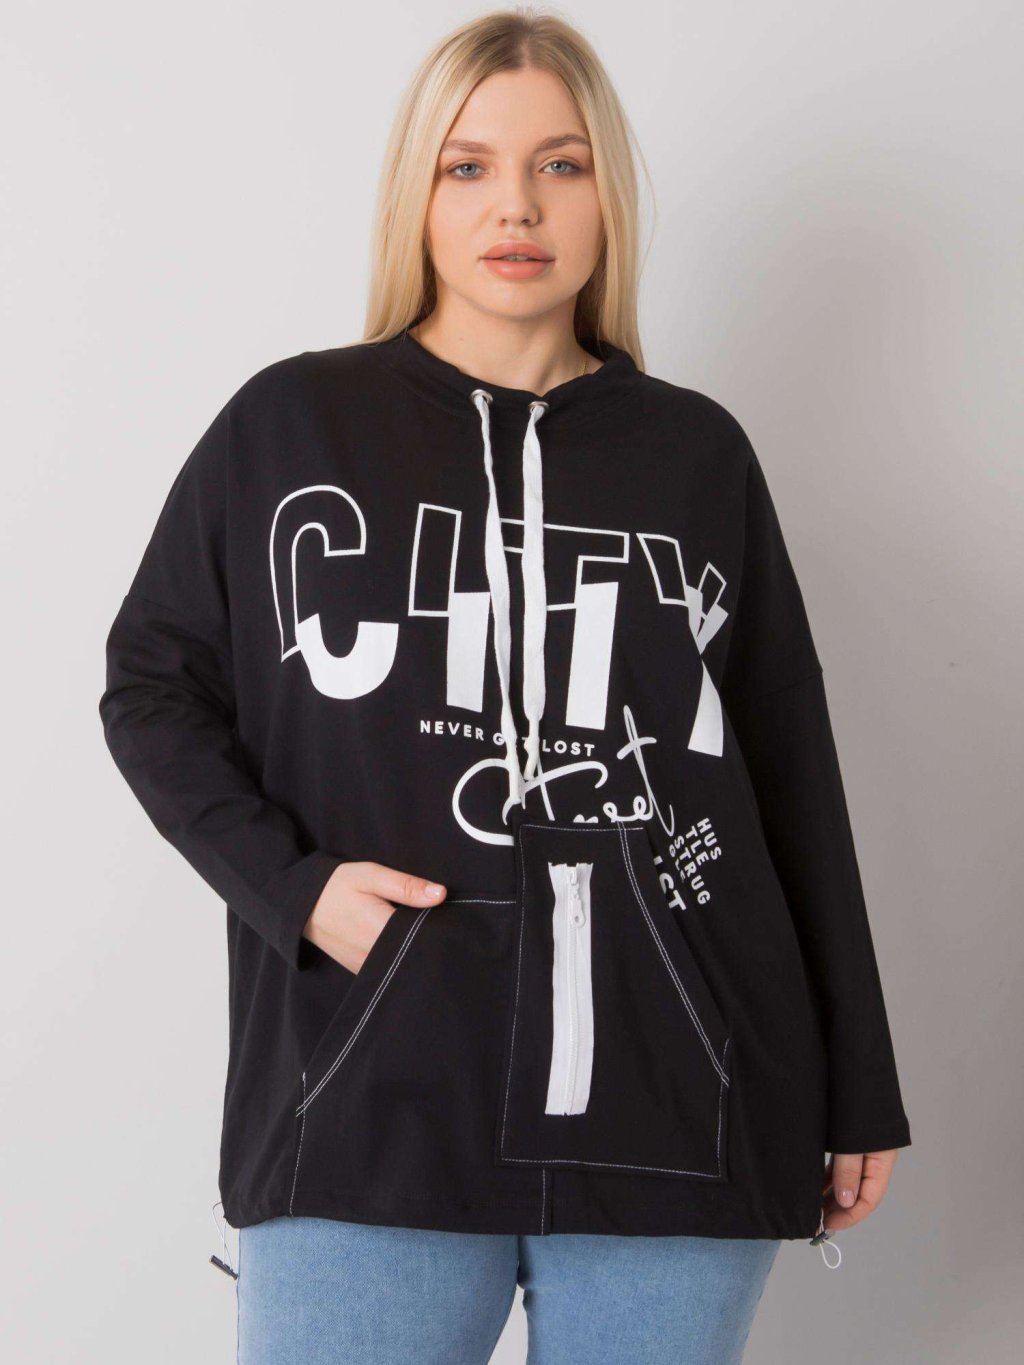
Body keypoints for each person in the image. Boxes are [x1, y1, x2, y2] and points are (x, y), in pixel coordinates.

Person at [98, 8, 911, 1362]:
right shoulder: (291, 426)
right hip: (370, 1106)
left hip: (682, 1107)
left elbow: (789, 778)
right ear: (415, 194)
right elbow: (151, 688)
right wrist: (295, 891)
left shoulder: (696, 457)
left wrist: (858, 1079)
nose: (516, 205)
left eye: (561, 164)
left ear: (607, 196)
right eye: (467, 165)